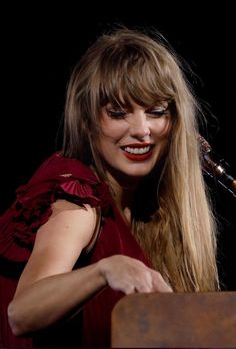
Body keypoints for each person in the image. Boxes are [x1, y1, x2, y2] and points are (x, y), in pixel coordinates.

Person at [0, 27, 219, 349]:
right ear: (88, 120)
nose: (142, 130)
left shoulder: (144, 205)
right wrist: (106, 269)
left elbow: (162, 333)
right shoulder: (77, 203)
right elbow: (21, 314)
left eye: (156, 112)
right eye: (118, 113)